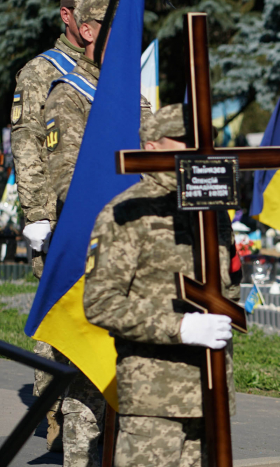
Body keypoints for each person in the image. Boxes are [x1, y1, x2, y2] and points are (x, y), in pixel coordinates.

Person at [83, 104, 240, 466]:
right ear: (151, 146)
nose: (199, 151)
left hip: (211, 390)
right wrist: (179, 327)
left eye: (205, 141)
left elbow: (231, 283)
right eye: (185, 142)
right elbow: (100, 302)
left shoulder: (214, 210)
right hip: (155, 398)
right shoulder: (127, 213)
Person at [43, 0, 153, 464]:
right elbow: (70, 185)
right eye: (121, 37)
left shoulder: (136, 98)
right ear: (91, 33)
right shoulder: (67, 95)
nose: (132, 47)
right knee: (88, 389)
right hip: (92, 258)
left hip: (139, 263)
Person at [10, 0, 85, 452]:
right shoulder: (41, 71)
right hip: (59, 218)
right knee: (58, 322)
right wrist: (36, 213)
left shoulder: (108, 70)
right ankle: (53, 418)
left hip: (103, 218)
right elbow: (27, 142)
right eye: (90, 17)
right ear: (67, 14)